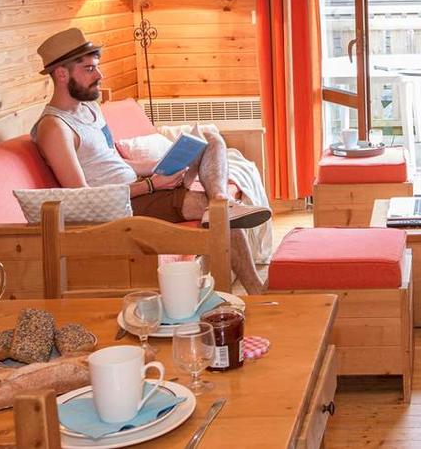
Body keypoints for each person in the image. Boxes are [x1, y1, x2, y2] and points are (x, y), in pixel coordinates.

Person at [31, 28, 270, 293]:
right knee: (216, 213)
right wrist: (151, 186)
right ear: (61, 74)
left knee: (212, 139)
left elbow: (114, 164)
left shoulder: (89, 109)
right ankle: (255, 287)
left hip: (139, 186)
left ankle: (222, 199)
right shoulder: (55, 127)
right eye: (89, 69)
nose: (99, 75)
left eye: (96, 67)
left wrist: (162, 165)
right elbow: (83, 196)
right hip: (120, 208)